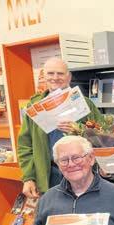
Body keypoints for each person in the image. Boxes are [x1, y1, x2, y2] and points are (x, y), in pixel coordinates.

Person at [18, 57, 103, 199]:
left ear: (69, 77)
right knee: (54, 212)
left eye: (60, 73)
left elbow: (102, 136)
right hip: (50, 175)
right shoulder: (34, 107)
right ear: (44, 76)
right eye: (50, 73)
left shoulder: (85, 103)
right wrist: (28, 177)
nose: (55, 78)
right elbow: (25, 146)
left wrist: (79, 130)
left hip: (81, 172)